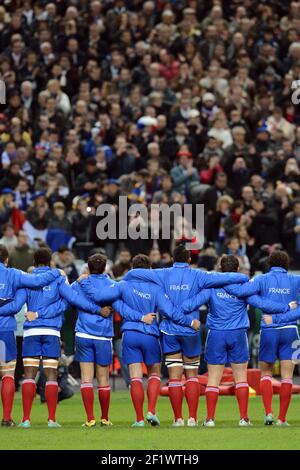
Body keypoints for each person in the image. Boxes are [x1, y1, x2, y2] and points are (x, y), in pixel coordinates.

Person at [118, 245, 249, 426]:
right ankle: (193, 418)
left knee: (174, 377)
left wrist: (127, 275)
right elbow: (223, 277)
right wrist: (243, 276)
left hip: (170, 330)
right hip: (190, 330)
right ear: (189, 260)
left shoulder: (163, 273)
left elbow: (135, 274)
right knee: (192, 376)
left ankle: (178, 419)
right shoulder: (198, 275)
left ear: (172, 259)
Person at [80, 253, 199, 428]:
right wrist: (189, 321)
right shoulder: (156, 288)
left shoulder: (122, 285)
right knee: (154, 373)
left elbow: (103, 298)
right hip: (150, 335)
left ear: (132, 268)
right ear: (149, 269)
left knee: (135, 377)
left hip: (130, 334)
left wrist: (84, 281)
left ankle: (139, 419)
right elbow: (170, 311)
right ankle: (151, 410)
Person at [0, 247, 108, 428]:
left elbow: (16, 305)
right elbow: (72, 300)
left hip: (31, 332)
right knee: (50, 374)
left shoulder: (27, 282)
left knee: (28, 375)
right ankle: (51, 419)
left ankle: (26, 419)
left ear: (34, 263)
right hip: (51, 332)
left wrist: (36, 313)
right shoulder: (58, 279)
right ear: (51, 261)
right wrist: (97, 309)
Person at [179, 255, 292, 427]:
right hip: (238, 335)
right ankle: (244, 419)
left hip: (216, 334)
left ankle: (209, 419)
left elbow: (190, 304)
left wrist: (172, 308)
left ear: (220, 268)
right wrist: (285, 307)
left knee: (213, 379)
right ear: (238, 270)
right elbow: (263, 304)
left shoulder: (211, 287)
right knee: (241, 378)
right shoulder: (243, 287)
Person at [223, 251, 300, 426]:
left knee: (266, 373)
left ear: (269, 264)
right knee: (288, 377)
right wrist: (285, 311)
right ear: (286, 265)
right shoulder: (296, 280)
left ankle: (269, 414)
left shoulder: (261, 279)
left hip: (269, 331)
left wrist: (224, 281)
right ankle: (282, 419)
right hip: (291, 332)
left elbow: (244, 294)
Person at [73, 253, 150, 428]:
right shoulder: (112, 285)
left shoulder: (79, 283)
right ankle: (105, 418)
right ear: (106, 267)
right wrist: (141, 316)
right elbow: (121, 307)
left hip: (83, 334)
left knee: (86, 379)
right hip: (103, 336)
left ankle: (90, 419)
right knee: (103, 379)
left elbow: (70, 298)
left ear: (88, 267)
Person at [0, 244, 60, 427]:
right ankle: (7, 418)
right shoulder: (14, 274)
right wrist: (55, 272)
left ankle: (19, 418)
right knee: (7, 375)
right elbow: (36, 282)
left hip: (27, 331)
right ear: (6, 260)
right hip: (4, 330)